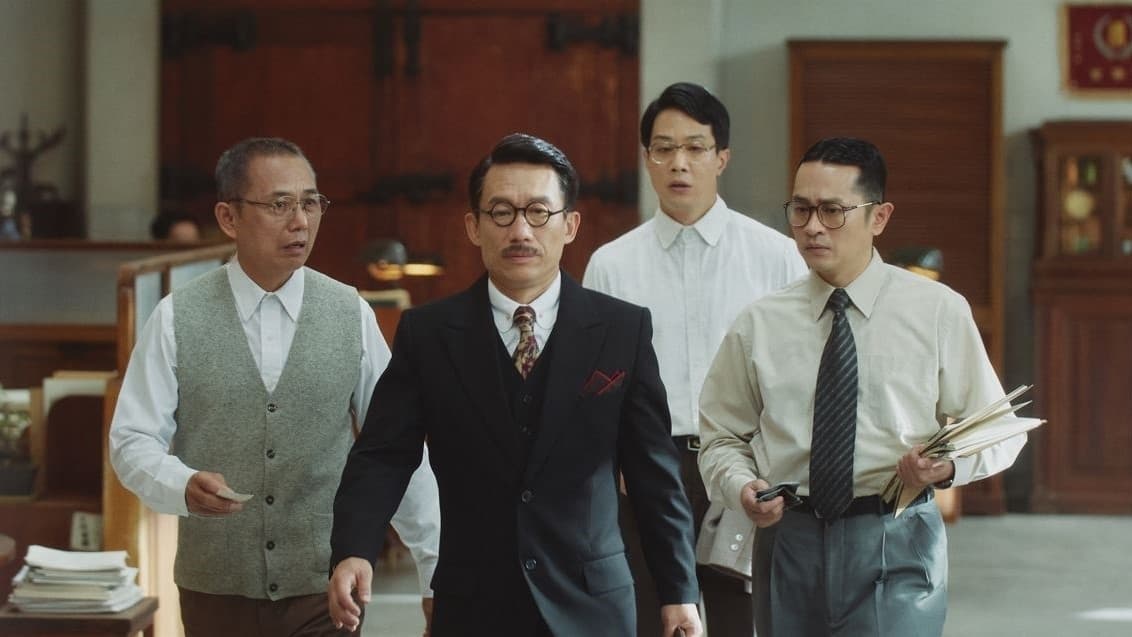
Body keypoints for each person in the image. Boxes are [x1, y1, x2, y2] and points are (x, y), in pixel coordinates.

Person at [328, 133, 703, 637]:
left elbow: (654, 473)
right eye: (501, 213)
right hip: (473, 603)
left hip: (592, 604)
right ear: (473, 226)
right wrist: (354, 547)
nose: (521, 230)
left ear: (570, 225)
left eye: (539, 212)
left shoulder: (622, 330)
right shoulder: (429, 334)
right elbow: (383, 454)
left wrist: (679, 592)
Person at [109, 137, 441, 636]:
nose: (301, 221)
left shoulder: (350, 313)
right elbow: (131, 440)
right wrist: (180, 485)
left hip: (327, 589)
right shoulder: (177, 316)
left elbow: (397, 446)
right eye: (280, 205)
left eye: (311, 203)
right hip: (215, 592)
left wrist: (434, 571)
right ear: (229, 218)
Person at [697, 136, 1027, 637]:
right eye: (801, 210)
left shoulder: (936, 311)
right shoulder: (759, 323)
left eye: (832, 211)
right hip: (789, 540)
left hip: (895, 536)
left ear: (879, 217)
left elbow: (1001, 429)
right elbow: (721, 435)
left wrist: (947, 467)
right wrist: (741, 485)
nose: (812, 227)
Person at [584, 81, 806, 636]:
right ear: (647, 159)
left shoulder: (776, 257)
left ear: (721, 157)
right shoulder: (612, 264)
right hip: (647, 466)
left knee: (740, 620)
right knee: (649, 619)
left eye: (695, 147)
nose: (678, 163)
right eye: (664, 149)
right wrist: (613, 461)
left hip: (743, 465)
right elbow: (594, 380)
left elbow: (801, 372)